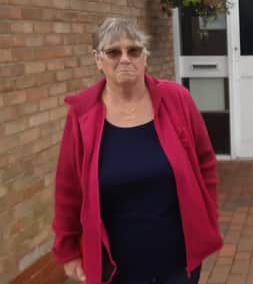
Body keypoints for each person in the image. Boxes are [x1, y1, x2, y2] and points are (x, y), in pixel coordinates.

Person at [52, 17, 223, 284]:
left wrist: (207, 217)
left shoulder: (176, 99)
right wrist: (68, 249)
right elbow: (68, 188)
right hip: (117, 263)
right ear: (97, 59)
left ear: (145, 58)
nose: (124, 59)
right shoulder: (82, 113)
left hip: (177, 258)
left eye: (134, 50)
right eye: (113, 52)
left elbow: (205, 162)